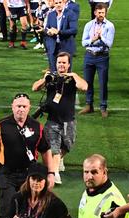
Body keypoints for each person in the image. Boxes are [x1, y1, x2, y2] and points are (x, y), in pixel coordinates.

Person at [32, 52, 87, 185]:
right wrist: (45, 79)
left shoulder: (73, 79)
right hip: (52, 120)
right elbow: (34, 88)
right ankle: (54, 174)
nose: (61, 65)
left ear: (68, 64)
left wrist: (74, 75)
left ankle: (58, 161)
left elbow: (84, 87)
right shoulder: (51, 78)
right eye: (59, 62)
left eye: (63, 62)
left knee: (67, 145)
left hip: (69, 121)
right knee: (54, 148)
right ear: (56, 63)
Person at [79, 4, 115, 118]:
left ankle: (103, 107)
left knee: (103, 83)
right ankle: (89, 105)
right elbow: (83, 43)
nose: (101, 15)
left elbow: (109, 44)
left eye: (103, 13)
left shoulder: (110, 26)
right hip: (89, 55)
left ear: (105, 13)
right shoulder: (89, 25)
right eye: (99, 13)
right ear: (95, 13)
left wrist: (101, 37)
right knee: (87, 82)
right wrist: (93, 39)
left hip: (102, 57)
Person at [43, 0, 78, 71]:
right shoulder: (51, 14)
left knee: (65, 72)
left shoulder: (70, 14)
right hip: (53, 46)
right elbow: (47, 28)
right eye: (56, 3)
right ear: (54, 4)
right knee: (53, 71)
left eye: (60, 2)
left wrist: (59, 32)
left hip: (66, 46)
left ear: (64, 3)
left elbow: (74, 30)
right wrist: (49, 32)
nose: (58, 5)